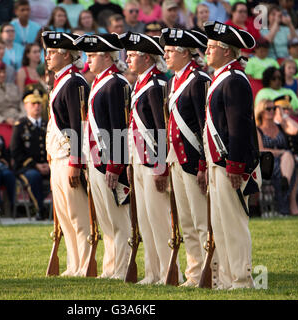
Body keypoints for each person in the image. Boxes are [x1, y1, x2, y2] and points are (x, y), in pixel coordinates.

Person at [203, 20, 260, 289]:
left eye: (212, 47)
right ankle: (226, 278)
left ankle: (241, 279)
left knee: (234, 225)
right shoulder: (223, 78)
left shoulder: (234, 80)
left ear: (227, 51)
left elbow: (239, 127)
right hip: (218, 163)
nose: (207, 50)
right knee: (221, 224)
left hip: (230, 164)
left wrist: (236, 166)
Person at [120, 31, 180, 285]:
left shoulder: (155, 85)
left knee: (158, 220)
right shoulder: (142, 83)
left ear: (147, 58)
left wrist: (159, 167)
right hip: (139, 160)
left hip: (151, 162)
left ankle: (167, 270)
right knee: (145, 220)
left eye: (133, 55)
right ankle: (152, 272)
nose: (128, 59)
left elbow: (160, 128)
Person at [74, 33, 131, 280]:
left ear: (107, 57)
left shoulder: (116, 84)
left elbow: (120, 128)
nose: (88, 60)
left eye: (93, 55)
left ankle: (121, 268)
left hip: (108, 161)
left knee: (118, 221)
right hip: (96, 160)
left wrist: (116, 165)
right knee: (106, 221)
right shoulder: (100, 81)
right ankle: (110, 267)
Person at [159, 27, 213, 287]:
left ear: (184, 53)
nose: (165, 55)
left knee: (202, 220)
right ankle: (194, 272)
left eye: (170, 51)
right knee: (187, 222)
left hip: (193, 160)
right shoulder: (174, 81)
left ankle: (211, 269)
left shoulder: (199, 80)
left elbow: (205, 126)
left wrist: (203, 164)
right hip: (176, 158)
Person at [42, 30, 91, 277]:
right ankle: (74, 264)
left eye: (52, 52)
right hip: (57, 157)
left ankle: (84, 264)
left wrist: (76, 161)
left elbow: (77, 124)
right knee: (64, 217)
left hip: (69, 157)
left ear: (66, 55)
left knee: (78, 216)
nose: (47, 57)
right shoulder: (62, 80)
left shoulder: (74, 82)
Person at [255, 99, 298, 215]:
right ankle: (290, 206)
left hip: (285, 161)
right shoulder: (257, 130)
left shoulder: (280, 126)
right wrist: (279, 152)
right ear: (261, 111)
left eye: (274, 108)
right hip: (267, 162)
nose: (272, 111)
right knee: (292, 167)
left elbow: (296, 130)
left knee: (288, 158)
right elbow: (260, 150)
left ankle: (285, 182)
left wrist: (284, 115)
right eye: (268, 109)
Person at [10, 87, 50, 220]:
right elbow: (15, 152)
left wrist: (49, 163)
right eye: (33, 104)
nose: (37, 106)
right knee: (34, 176)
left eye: (39, 103)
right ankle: (39, 209)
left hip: (48, 165)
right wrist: (36, 165)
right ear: (26, 106)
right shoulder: (20, 125)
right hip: (26, 167)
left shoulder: (47, 124)